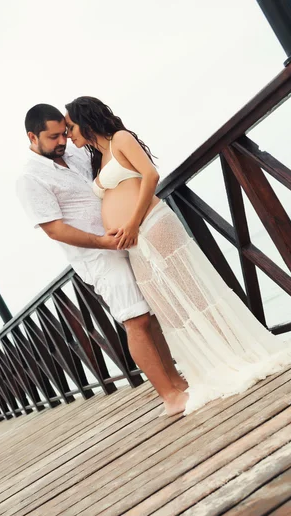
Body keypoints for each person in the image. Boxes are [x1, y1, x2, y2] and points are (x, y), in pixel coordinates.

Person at [64, 96, 291, 415]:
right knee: (170, 306)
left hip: (152, 226)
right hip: (135, 243)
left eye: (70, 126)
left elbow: (150, 176)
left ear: (85, 121)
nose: (69, 134)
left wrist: (131, 222)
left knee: (195, 294)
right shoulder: (96, 159)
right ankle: (211, 363)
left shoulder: (121, 140)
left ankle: (237, 355)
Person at [16, 104, 188, 415]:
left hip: (130, 241)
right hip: (98, 256)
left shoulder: (77, 153)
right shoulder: (30, 178)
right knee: (135, 319)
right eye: (53, 136)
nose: (62, 141)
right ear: (32, 136)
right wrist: (101, 242)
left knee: (151, 315)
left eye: (64, 133)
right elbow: (54, 229)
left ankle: (178, 383)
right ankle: (169, 397)